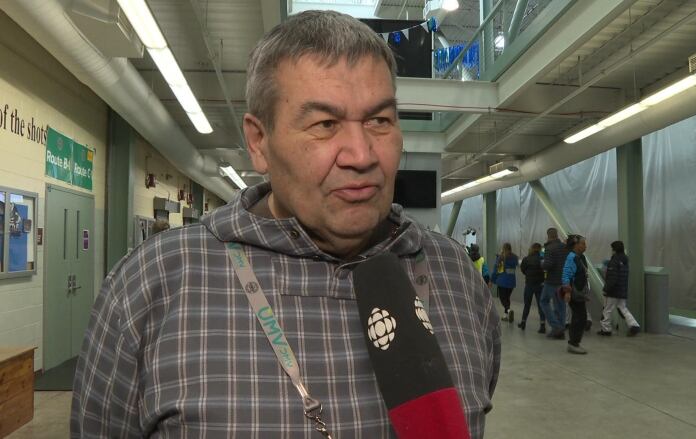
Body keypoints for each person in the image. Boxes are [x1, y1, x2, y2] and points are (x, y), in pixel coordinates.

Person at [71, 11, 500, 438]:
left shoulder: (454, 274)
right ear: (259, 143)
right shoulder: (153, 285)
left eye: (378, 121)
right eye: (325, 124)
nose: (362, 154)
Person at [598, 241, 641, 336]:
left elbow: (612, 278)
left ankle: (606, 329)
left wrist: (606, 288)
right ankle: (634, 325)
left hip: (613, 290)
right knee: (622, 308)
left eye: (612, 249)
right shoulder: (625, 261)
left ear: (614, 250)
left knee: (607, 309)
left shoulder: (614, 261)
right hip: (622, 289)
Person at [560, 235, 590, 354]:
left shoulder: (580, 257)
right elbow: (566, 274)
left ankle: (574, 342)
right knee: (580, 317)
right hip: (573, 292)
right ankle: (573, 343)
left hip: (579, 292)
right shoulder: (572, 257)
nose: (585, 246)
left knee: (579, 317)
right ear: (576, 245)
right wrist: (567, 292)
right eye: (583, 243)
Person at [540, 227, 568, 339]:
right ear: (557, 235)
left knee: (543, 301)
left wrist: (541, 263)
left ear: (548, 236)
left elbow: (548, 265)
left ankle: (556, 327)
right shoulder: (564, 247)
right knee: (560, 306)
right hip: (562, 281)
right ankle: (560, 331)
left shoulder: (549, 248)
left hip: (551, 281)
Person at [518, 243, 546, 332]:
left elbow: (522, 269)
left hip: (529, 284)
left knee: (527, 304)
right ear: (539, 249)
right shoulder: (542, 259)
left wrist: (528, 274)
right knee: (541, 305)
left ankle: (523, 322)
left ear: (532, 249)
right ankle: (542, 325)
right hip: (540, 285)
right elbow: (545, 270)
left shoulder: (526, 259)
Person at [492, 243, 519, 323]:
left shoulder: (501, 257)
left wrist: (492, 280)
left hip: (502, 281)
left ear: (503, 248)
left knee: (502, 298)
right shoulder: (515, 257)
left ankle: (509, 310)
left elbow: (497, 270)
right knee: (507, 298)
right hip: (511, 282)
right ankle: (505, 315)